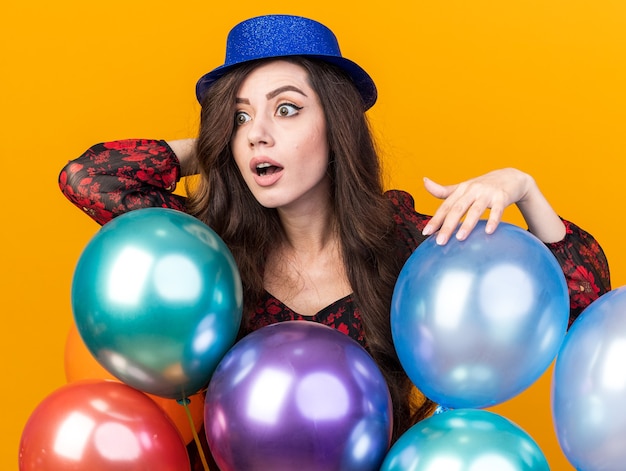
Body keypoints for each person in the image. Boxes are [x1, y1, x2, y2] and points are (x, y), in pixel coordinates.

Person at [59, 13, 611, 469]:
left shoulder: (410, 242)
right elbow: (89, 177)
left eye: (287, 108)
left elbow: (580, 294)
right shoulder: (210, 251)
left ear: (337, 126)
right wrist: (219, 144)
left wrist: (521, 186)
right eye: (241, 115)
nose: (258, 132)